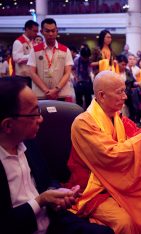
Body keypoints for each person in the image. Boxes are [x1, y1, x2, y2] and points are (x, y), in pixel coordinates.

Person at [66, 70, 141, 234]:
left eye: (124, 91)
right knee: (124, 222)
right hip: (95, 189)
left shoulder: (118, 117)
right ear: (102, 95)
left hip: (120, 182)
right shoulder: (83, 123)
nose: (125, 96)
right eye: (120, 92)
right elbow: (110, 155)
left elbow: (135, 136)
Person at [0, 78, 113, 234]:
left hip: (52, 220)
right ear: (8, 125)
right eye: (34, 114)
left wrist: (57, 193)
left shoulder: (28, 144)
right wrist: (40, 201)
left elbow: (47, 180)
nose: (41, 119)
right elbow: (4, 224)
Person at [27, 18, 74, 101]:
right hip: (41, 95)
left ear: (57, 31)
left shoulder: (65, 50)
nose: (51, 34)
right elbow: (32, 73)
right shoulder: (34, 50)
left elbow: (67, 73)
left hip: (60, 94)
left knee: (61, 114)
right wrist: (47, 91)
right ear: (41, 32)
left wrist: (56, 90)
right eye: (47, 31)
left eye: (53, 31)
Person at [12, 20, 39, 87]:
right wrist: (32, 56)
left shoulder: (33, 42)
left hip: (33, 76)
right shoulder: (18, 42)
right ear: (27, 29)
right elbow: (17, 58)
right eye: (34, 31)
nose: (36, 33)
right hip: (22, 77)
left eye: (37, 31)